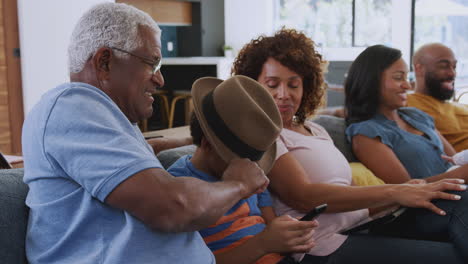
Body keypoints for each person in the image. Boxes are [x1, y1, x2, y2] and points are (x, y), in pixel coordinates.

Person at [21, 3, 270, 264]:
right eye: (152, 63)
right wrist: (239, 184)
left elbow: (122, 165)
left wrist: (178, 142)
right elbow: (175, 208)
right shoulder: (73, 105)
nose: (161, 79)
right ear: (105, 62)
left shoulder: (105, 118)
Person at [232, 28, 468, 263]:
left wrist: (405, 192)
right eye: (272, 84)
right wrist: (397, 190)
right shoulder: (265, 136)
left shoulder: (316, 129)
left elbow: (354, 195)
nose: (283, 94)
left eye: (293, 85)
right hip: (323, 243)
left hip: (366, 225)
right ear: (253, 85)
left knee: (462, 200)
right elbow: (302, 196)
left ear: (306, 87)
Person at [168, 75, 318, 264]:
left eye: (255, 161)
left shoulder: (252, 174)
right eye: (241, 160)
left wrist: (286, 235)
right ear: (208, 145)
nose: (251, 169)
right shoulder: (177, 189)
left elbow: (269, 224)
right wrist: (263, 243)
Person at [345, 45, 468, 183]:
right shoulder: (367, 133)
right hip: (440, 202)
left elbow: (456, 161)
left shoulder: (416, 115)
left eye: (407, 77)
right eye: (398, 77)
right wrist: (459, 175)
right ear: (371, 81)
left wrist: (461, 172)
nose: (408, 86)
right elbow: (404, 192)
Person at [407, 43, 468, 152]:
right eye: (443, 66)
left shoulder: (460, 106)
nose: (452, 73)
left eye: (454, 67)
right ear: (419, 69)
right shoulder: (408, 103)